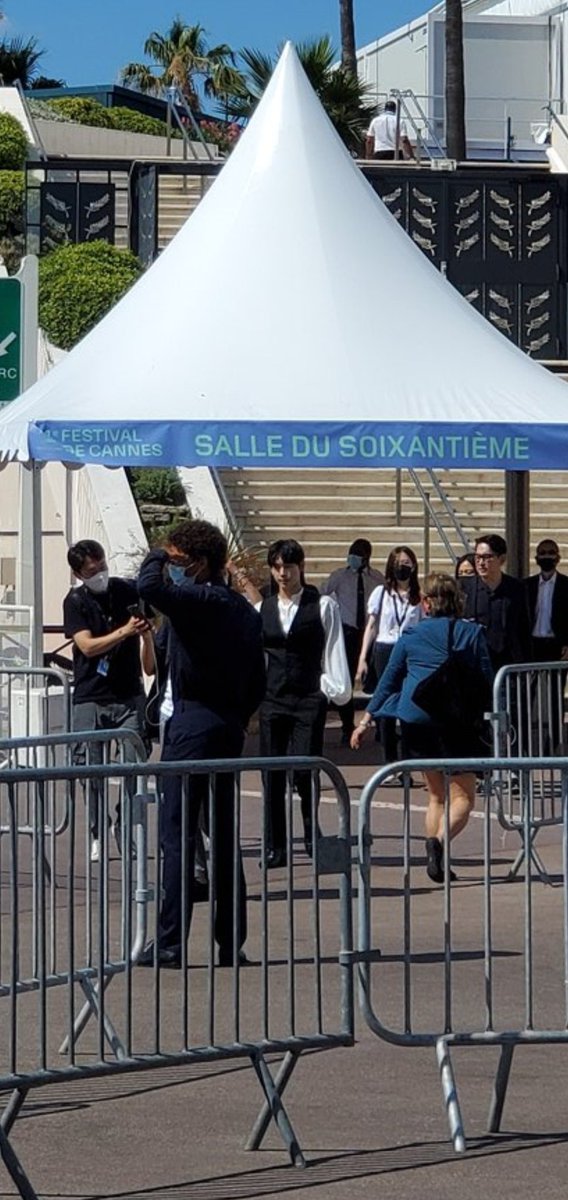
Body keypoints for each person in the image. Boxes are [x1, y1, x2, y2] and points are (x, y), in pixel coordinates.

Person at [137, 520, 266, 968]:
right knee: (224, 835)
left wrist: (157, 554)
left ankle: (171, 943)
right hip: (228, 725)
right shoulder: (245, 611)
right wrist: (239, 714)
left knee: (178, 835)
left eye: (178, 561)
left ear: (198, 564)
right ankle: (231, 941)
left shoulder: (199, 600)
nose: (173, 569)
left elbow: (149, 585)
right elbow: (257, 681)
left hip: (192, 723)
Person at [351, 573, 494, 883]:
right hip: (456, 723)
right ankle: (438, 844)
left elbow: (388, 681)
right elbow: (487, 679)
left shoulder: (411, 636)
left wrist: (365, 721)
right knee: (464, 799)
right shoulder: (471, 633)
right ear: (458, 601)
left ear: (426, 603)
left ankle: (438, 858)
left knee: (436, 797)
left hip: (417, 721)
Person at [258, 538, 351, 869]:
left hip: (307, 699)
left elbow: (333, 649)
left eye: (289, 566)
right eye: (278, 567)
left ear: (302, 567)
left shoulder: (323, 605)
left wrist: (329, 689)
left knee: (304, 771)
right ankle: (275, 846)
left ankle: (312, 836)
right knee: (271, 774)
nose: (284, 573)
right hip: (272, 699)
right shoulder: (263, 608)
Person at [63, 539, 154, 862]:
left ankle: (124, 826)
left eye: (102, 565)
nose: (100, 572)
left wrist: (143, 634)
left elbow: (148, 650)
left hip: (129, 695)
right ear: (78, 573)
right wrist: (123, 632)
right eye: (92, 570)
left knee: (133, 766)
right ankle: (98, 830)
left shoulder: (127, 591)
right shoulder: (75, 602)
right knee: (91, 771)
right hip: (90, 696)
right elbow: (86, 647)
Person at [356, 546, 422, 770]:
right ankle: (390, 760)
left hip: (410, 651)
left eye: (407, 563)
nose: (402, 567)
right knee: (385, 701)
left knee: (408, 703)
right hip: (385, 649)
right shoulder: (381, 593)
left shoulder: (419, 597)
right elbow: (371, 626)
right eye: (398, 563)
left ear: (414, 566)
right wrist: (362, 659)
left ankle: (409, 758)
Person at [320, 539, 385, 743]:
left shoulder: (376, 579)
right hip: (347, 632)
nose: (354, 558)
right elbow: (321, 593)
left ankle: (381, 726)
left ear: (367, 557)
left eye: (358, 554)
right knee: (345, 678)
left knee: (376, 680)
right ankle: (347, 726)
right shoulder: (339, 576)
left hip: (370, 632)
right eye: (352, 553)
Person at [460, 535, 531, 670]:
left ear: (502, 559)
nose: (481, 563)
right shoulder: (464, 589)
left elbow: (524, 628)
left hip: (507, 665)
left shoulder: (517, 589)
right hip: (474, 664)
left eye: (487, 557)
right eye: (478, 557)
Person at [525, 539, 568, 664]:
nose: (547, 556)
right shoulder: (526, 586)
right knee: (529, 683)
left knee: (555, 683)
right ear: (536, 558)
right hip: (533, 644)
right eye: (542, 553)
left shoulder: (566, 585)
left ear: (558, 558)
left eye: (551, 552)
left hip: (557, 645)